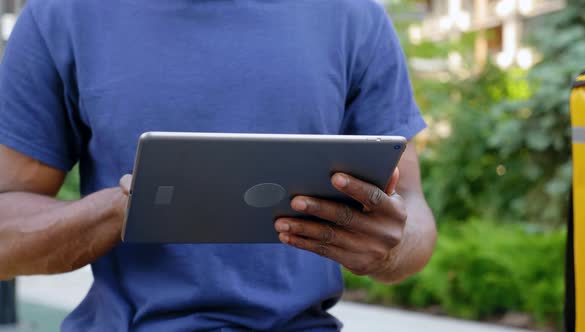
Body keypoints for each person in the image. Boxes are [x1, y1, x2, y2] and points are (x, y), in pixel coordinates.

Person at [0, 0, 437, 330]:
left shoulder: (351, 14)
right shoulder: (63, 13)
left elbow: (413, 209)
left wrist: (392, 248)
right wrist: (123, 209)